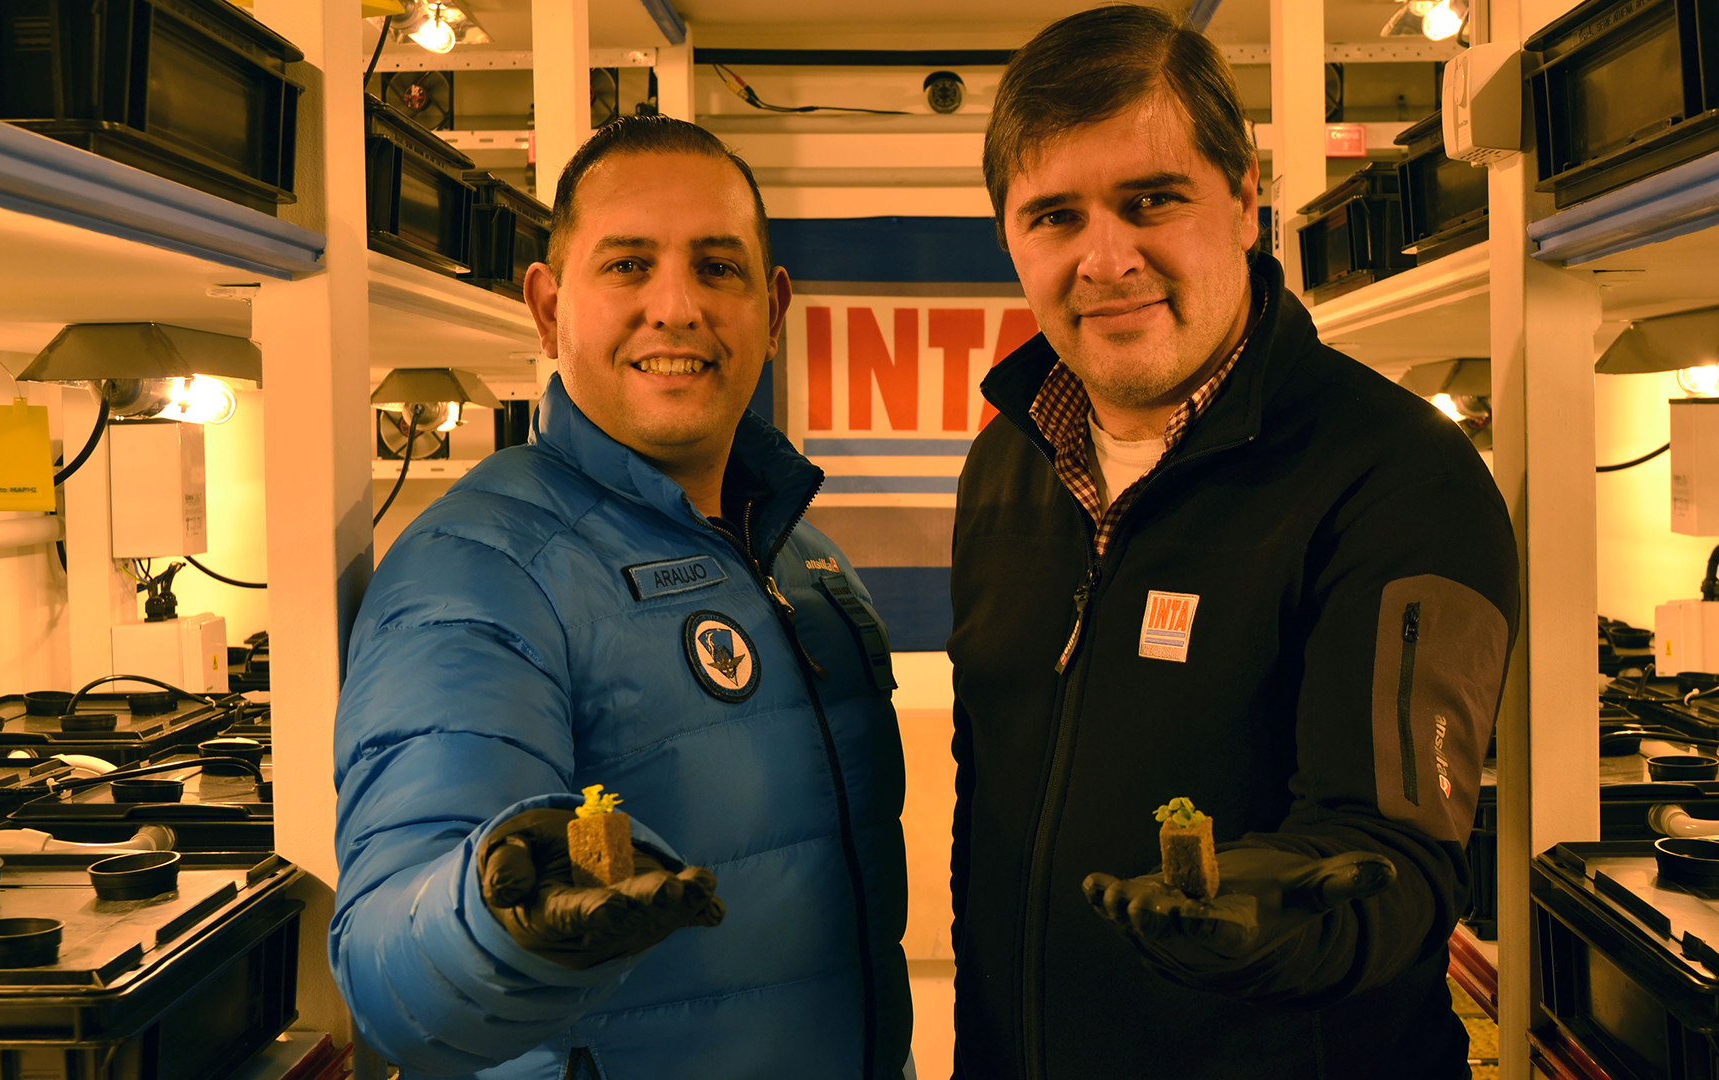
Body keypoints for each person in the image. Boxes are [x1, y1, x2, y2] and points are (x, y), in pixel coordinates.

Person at [947, 7, 1522, 1079]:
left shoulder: (1402, 477)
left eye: (1151, 200)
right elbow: (988, 804)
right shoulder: (1006, 465)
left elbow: (1401, 848)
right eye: (1055, 216)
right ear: (1010, 239)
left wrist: (1298, 927)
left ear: (1245, 199)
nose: (1105, 258)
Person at [331, 117, 912, 1080]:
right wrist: (492, 922)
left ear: (772, 310)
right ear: (548, 307)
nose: (676, 308)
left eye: (716, 268)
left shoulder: (806, 560)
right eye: (629, 265)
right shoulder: (479, 568)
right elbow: (390, 980)